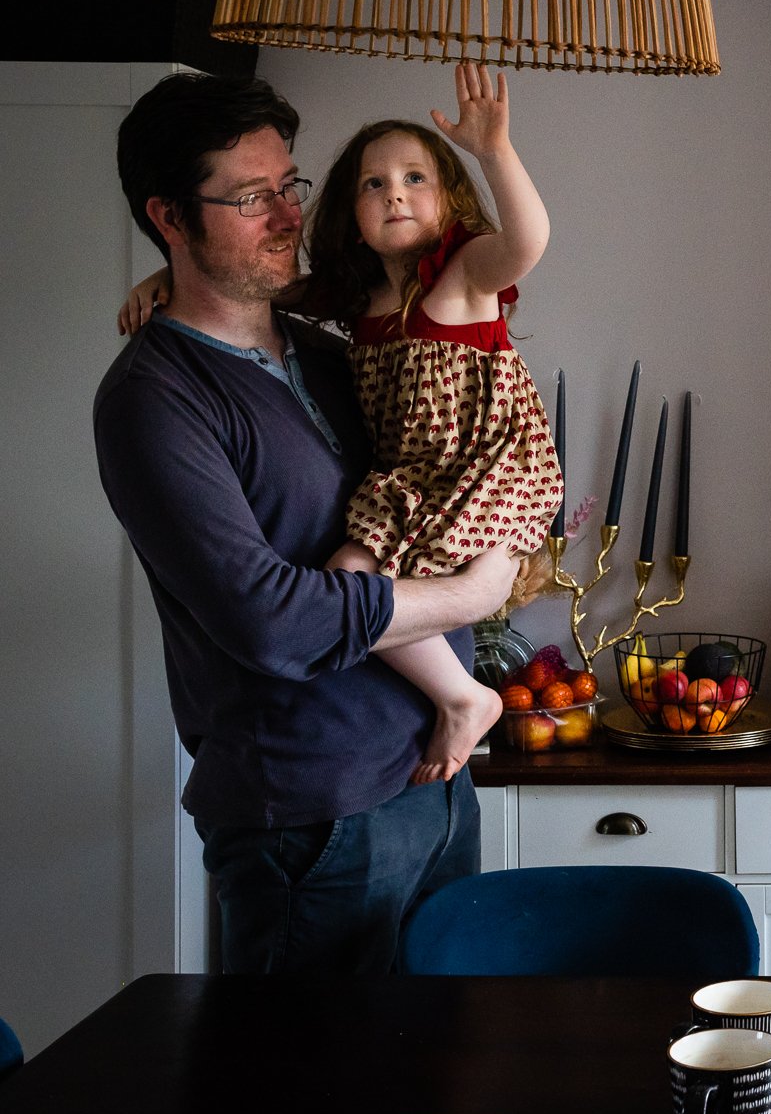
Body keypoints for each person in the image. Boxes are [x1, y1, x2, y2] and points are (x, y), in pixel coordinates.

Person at [97, 71, 518, 973]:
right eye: (253, 198)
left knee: (442, 1088)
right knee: (316, 1103)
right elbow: (269, 617)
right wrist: (468, 593)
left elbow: (452, 461)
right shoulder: (154, 399)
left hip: (437, 783)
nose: (289, 214)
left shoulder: (337, 352)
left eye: (290, 186)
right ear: (169, 217)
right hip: (311, 822)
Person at [123, 64, 562, 785]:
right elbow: (272, 619)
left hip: (480, 469)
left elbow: (527, 240)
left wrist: (495, 153)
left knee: (365, 569)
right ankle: (463, 695)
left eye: (417, 178)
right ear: (170, 219)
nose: (395, 192)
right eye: (372, 183)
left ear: (448, 196)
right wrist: (165, 276)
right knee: (357, 572)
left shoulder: (448, 280)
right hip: (315, 802)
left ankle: (461, 697)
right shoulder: (335, 313)